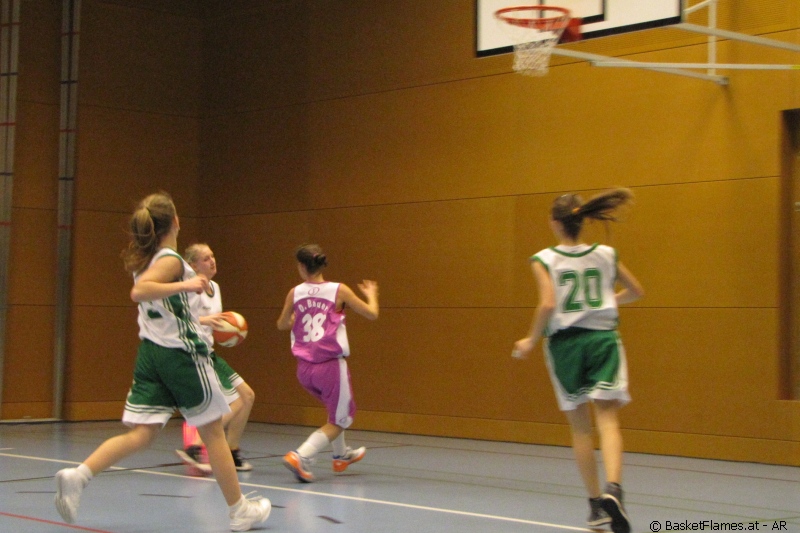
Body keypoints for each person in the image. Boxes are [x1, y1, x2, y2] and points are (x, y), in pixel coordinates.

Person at [54, 192, 270, 532]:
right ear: (175, 222)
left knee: (142, 434)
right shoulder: (170, 260)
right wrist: (189, 283)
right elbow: (140, 292)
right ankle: (240, 510)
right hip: (179, 355)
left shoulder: (148, 259)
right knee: (213, 431)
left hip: (151, 354)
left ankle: (78, 476)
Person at [512, 188, 643, 533]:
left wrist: (530, 339)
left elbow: (548, 304)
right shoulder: (606, 254)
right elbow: (637, 291)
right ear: (583, 221)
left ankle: (595, 506)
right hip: (602, 341)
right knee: (608, 420)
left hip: (565, 345)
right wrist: (607, 300)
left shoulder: (544, 259)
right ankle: (614, 489)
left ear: (554, 223)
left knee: (581, 428)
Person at [276, 244, 378, 482]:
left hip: (304, 368)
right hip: (329, 366)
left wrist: (294, 319)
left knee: (335, 411)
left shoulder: (294, 293)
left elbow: (281, 324)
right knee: (343, 417)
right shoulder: (339, 290)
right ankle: (301, 455)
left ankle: (341, 456)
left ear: (301, 266)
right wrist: (372, 294)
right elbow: (372, 314)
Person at [175, 243, 255, 474]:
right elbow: (178, 320)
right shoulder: (189, 288)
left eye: (212, 256)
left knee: (247, 396)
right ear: (193, 265)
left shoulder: (215, 287)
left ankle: (232, 451)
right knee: (238, 401)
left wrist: (228, 329)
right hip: (194, 353)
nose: (212, 261)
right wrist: (205, 321)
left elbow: (215, 322)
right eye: (206, 258)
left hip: (209, 351)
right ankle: (196, 446)